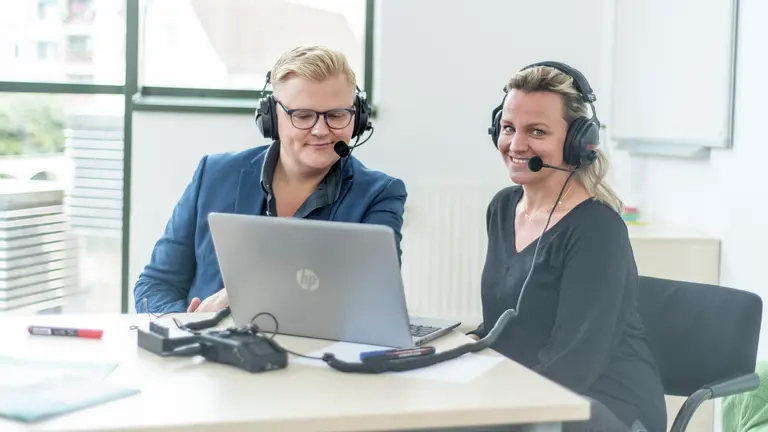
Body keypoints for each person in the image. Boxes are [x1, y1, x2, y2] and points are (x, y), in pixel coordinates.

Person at [133, 46, 407, 315]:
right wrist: (188, 328)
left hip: (313, 355)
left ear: (357, 118)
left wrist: (244, 294)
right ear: (272, 117)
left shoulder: (379, 194)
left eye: (336, 115)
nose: (321, 130)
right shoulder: (213, 174)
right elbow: (155, 286)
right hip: (205, 354)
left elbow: (374, 301)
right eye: (303, 115)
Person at [468, 62, 666, 432]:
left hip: (604, 406)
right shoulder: (503, 207)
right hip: (532, 392)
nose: (517, 144)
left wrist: (489, 400)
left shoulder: (597, 228)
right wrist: (457, 353)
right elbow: (504, 323)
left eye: (537, 131)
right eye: (508, 128)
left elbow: (574, 363)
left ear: (579, 142)